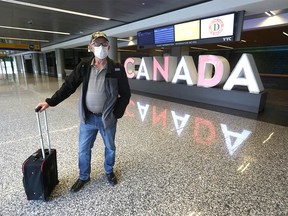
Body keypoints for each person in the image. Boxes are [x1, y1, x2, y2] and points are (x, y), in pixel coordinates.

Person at [35, 31, 131, 192]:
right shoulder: (85, 66)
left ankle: (109, 171)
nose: (101, 47)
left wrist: (117, 114)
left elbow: (126, 94)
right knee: (83, 150)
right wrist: (50, 102)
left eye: (103, 44)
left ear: (108, 46)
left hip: (107, 119)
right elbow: (69, 86)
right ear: (90, 47)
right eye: (97, 44)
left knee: (110, 147)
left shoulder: (117, 69)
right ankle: (84, 176)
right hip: (88, 119)